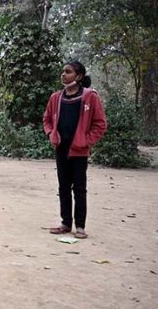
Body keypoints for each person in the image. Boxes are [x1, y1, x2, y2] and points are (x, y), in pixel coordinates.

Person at [43, 60, 107, 239]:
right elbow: (47, 120)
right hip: (61, 149)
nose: (63, 74)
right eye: (62, 72)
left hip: (79, 150)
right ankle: (65, 223)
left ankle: (80, 226)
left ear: (78, 76)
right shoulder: (56, 98)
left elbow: (100, 124)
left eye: (68, 72)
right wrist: (51, 134)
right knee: (63, 186)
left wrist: (86, 141)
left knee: (79, 188)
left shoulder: (90, 97)